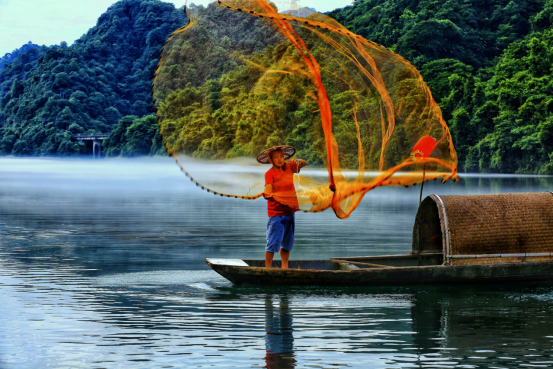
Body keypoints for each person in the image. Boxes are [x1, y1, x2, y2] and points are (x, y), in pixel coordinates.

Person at [256, 145, 307, 269]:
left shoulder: (289, 167)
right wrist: (267, 194)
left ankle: (285, 267)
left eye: (281, 157)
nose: (279, 159)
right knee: (273, 242)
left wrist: (298, 161)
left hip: (290, 212)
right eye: (276, 157)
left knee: (287, 243)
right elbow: (268, 189)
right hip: (276, 214)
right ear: (271, 160)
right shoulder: (269, 174)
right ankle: (268, 268)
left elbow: (304, 164)